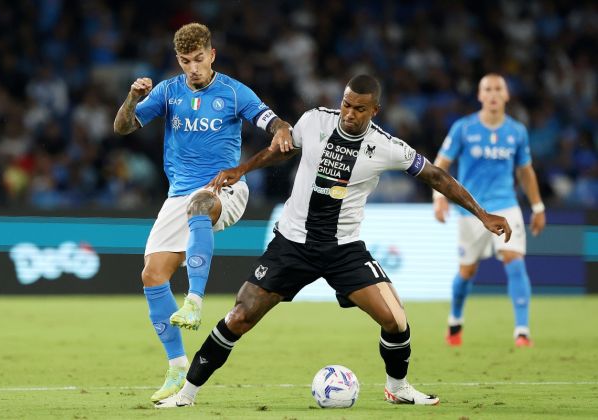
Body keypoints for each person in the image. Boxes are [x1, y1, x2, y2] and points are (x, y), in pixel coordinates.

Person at [155, 74, 512, 408]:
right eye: (346, 104)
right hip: (291, 245)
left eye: (360, 108)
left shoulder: (386, 146)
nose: (350, 114)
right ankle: (187, 394)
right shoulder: (314, 121)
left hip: (343, 250)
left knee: (396, 320)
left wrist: (482, 214)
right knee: (239, 317)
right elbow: (283, 149)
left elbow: (436, 176)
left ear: (375, 111)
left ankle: (398, 387)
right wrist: (241, 169)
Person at [113, 22, 292, 403]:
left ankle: (194, 301)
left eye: (198, 59)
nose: (192, 68)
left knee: (200, 204)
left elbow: (269, 119)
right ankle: (177, 367)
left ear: (211, 55)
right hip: (178, 195)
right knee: (152, 274)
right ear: (177, 60)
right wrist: (131, 98)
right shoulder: (167, 91)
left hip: (223, 188)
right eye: (184, 61)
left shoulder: (232, 91)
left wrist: (280, 128)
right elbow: (122, 127)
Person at [432, 73, 546, 348]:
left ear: (506, 96)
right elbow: (440, 165)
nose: (493, 94)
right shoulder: (463, 128)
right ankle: (455, 321)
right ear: (480, 96)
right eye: (488, 89)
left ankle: (522, 331)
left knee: (515, 261)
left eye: (498, 89)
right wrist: (439, 197)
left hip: (507, 205)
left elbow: (525, 171)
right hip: (472, 210)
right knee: (467, 272)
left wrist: (537, 205)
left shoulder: (516, 131)